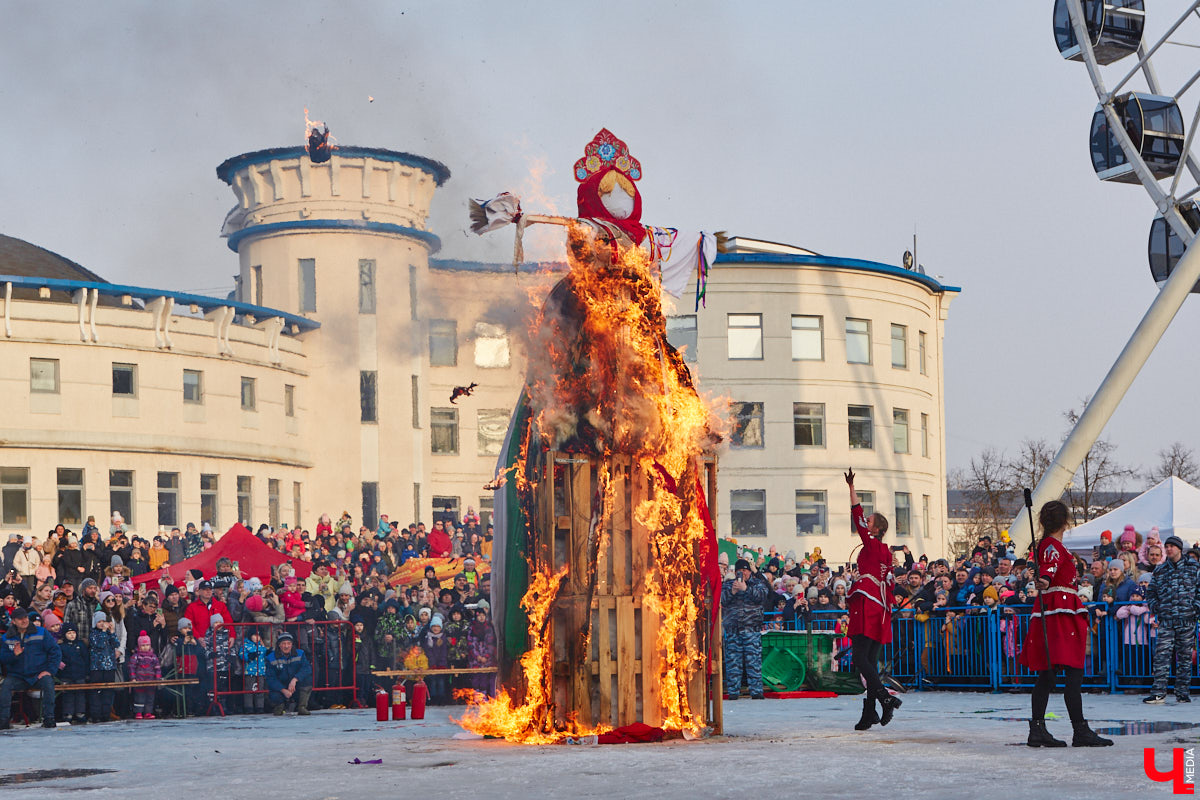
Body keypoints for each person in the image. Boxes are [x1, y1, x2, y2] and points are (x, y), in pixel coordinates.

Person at [1018, 501, 1112, 747]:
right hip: (1060, 613)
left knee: (1047, 675)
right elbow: (1049, 570)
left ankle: (1038, 728)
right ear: (1065, 521)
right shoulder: (1052, 545)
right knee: (1072, 671)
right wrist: (1046, 580)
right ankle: (1079, 730)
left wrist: (1045, 579)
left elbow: (1048, 570)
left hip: (1052, 610)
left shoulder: (1048, 545)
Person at [843, 468, 901, 730]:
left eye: (870, 520)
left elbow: (857, 516)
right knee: (869, 659)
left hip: (868, 602)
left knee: (859, 657)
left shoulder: (872, 544)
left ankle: (885, 699)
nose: (865, 521)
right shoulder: (885, 552)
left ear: (875, 529)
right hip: (881, 606)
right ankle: (869, 712)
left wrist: (851, 489)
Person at [1143, 534, 1200, 704]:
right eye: (1166, 546)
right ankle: (1158, 692)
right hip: (1167, 619)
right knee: (1162, 656)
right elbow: (1151, 592)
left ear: (1179, 549)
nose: (1168, 549)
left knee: (1184, 657)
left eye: (1172, 546)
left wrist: (1195, 607)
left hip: (1187, 619)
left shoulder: (1193, 567)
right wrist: (1156, 607)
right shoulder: (1160, 570)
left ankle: (1182, 692)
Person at [0, 607, 62, 729]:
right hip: (18, 676)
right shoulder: (7, 637)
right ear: (13, 621)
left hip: (38, 674)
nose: (24, 620)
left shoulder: (41, 632)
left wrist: (49, 671)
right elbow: (3, 658)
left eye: (26, 617)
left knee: (49, 683)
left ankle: (49, 718)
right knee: (6, 686)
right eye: (20, 619)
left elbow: (55, 652)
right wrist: (14, 655)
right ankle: (3, 721)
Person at [720, 557, 767, 700]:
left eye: (745, 570)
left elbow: (763, 596)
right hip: (733, 630)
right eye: (740, 571)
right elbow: (721, 600)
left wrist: (746, 589)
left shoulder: (757, 584)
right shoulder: (728, 585)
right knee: (733, 662)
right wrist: (732, 592)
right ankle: (733, 692)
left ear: (749, 571)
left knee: (753, 663)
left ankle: (756, 691)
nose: (743, 573)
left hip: (751, 630)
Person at [266, 632, 312, 715]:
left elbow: (307, 668)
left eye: (288, 643)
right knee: (273, 693)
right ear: (279, 645)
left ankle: (302, 707)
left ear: (292, 644)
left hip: (295, 685)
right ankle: (279, 706)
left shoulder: (300, 653)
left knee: (308, 680)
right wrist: (283, 690)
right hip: (280, 686)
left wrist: (295, 679)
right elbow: (270, 678)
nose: (286, 646)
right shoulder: (271, 657)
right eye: (283, 643)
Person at [128, 630, 161, 719]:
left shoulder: (153, 656)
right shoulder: (136, 656)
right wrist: (133, 678)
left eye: (147, 645)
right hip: (140, 681)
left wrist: (157, 678)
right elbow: (132, 667)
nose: (145, 647)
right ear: (139, 646)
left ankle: (148, 712)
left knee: (150, 698)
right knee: (139, 698)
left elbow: (157, 668)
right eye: (143, 645)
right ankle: (138, 712)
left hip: (151, 681)